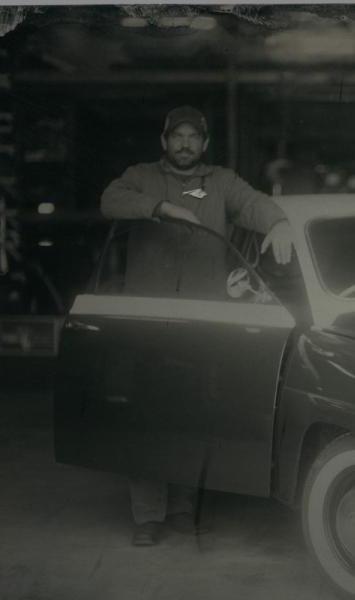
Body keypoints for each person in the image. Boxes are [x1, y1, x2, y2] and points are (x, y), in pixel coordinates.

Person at [100, 105, 293, 546]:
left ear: (204, 144)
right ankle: (148, 515)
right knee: (148, 416)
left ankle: (183, 508)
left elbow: (254, 204)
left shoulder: (221, 182)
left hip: (203, 319)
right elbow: (109, 200)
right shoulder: (139, 176)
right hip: (149, 319)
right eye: (176, 136)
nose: (184, 144)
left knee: (192, 412)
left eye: (193, 137)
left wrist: (278, 221)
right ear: (163, 141)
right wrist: (160, 207)